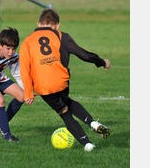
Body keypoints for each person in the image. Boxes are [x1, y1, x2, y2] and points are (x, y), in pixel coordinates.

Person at [19, 8, 111, 152]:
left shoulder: (27, 42)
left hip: (43, 86)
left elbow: (24, 69)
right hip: (61, 81)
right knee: (66, 100)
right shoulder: (62, 36)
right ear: (57, 25)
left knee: (64, 112)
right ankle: (92, 122)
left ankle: (87, 144)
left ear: (38, 23)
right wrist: (101, 62)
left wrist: (28, 93)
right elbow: (83, 54)